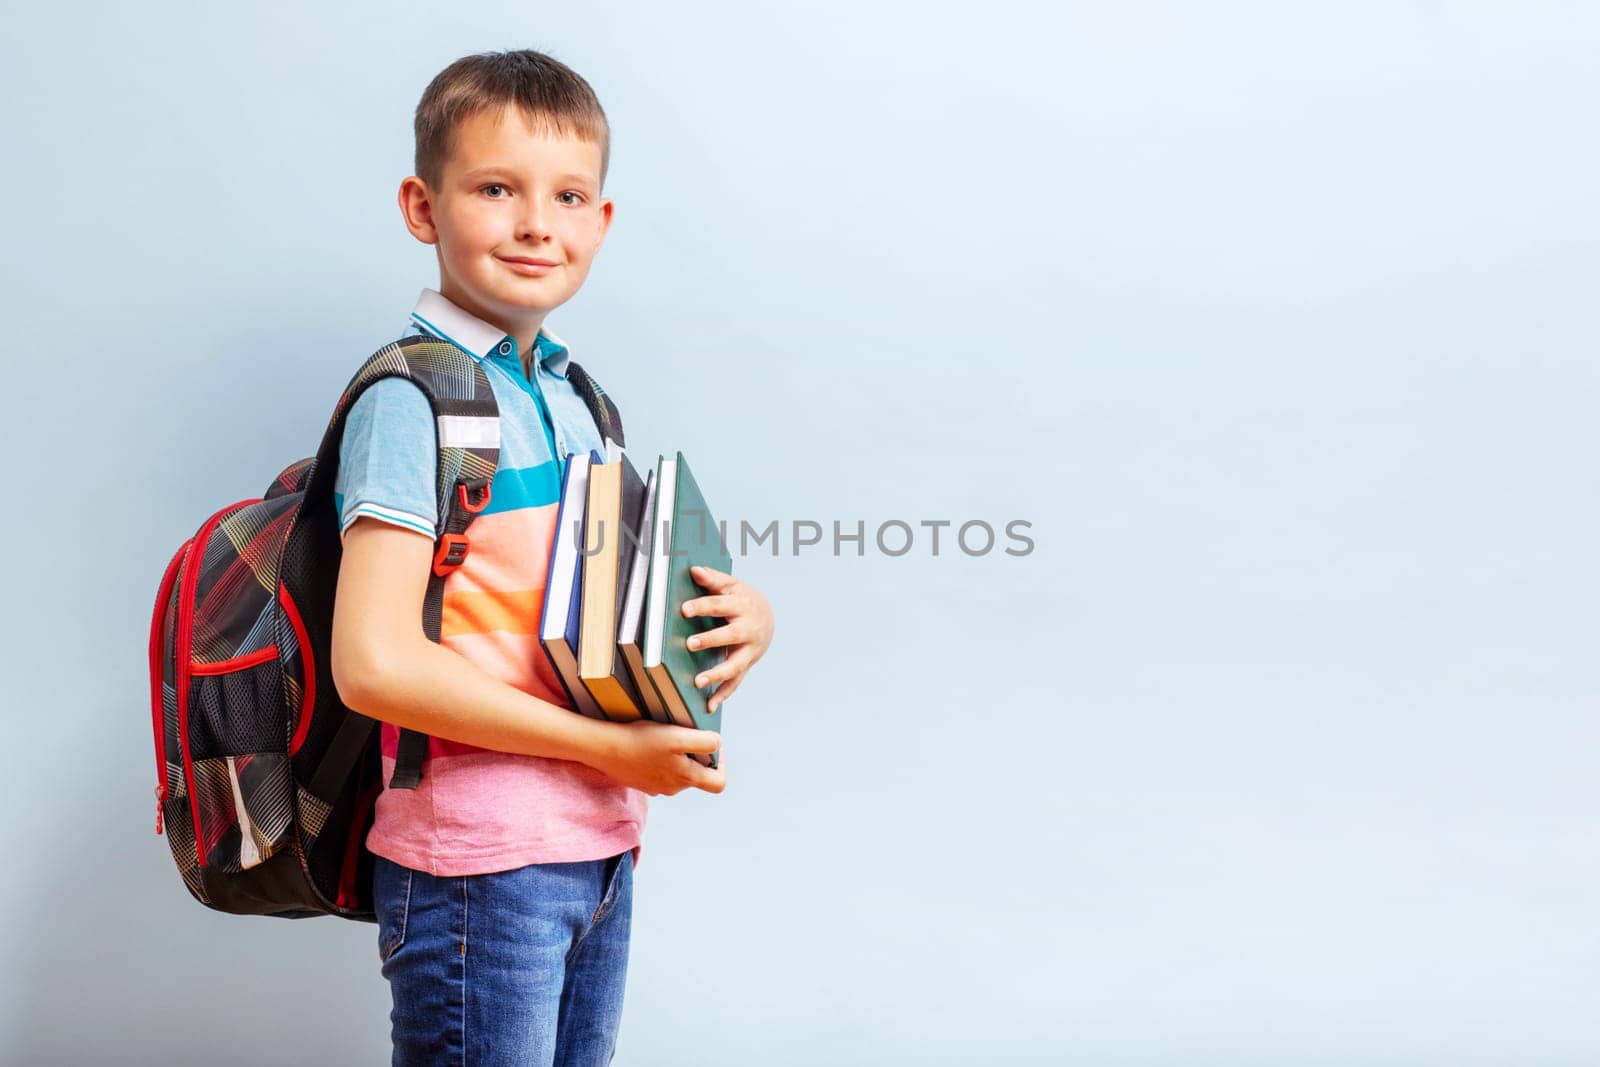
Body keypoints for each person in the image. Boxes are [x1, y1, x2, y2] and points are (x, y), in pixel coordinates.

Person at [328, 49, 775, 1065]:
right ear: (422, 205)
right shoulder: (415, 402)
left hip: (598, 845)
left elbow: (603, 619)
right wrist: (610, 752)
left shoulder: (579, 399)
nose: (538, 223)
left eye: (569, 195)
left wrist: (741, 619)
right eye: (496, 188)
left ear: (601, 223)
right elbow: (375, 664)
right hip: (479, 866)